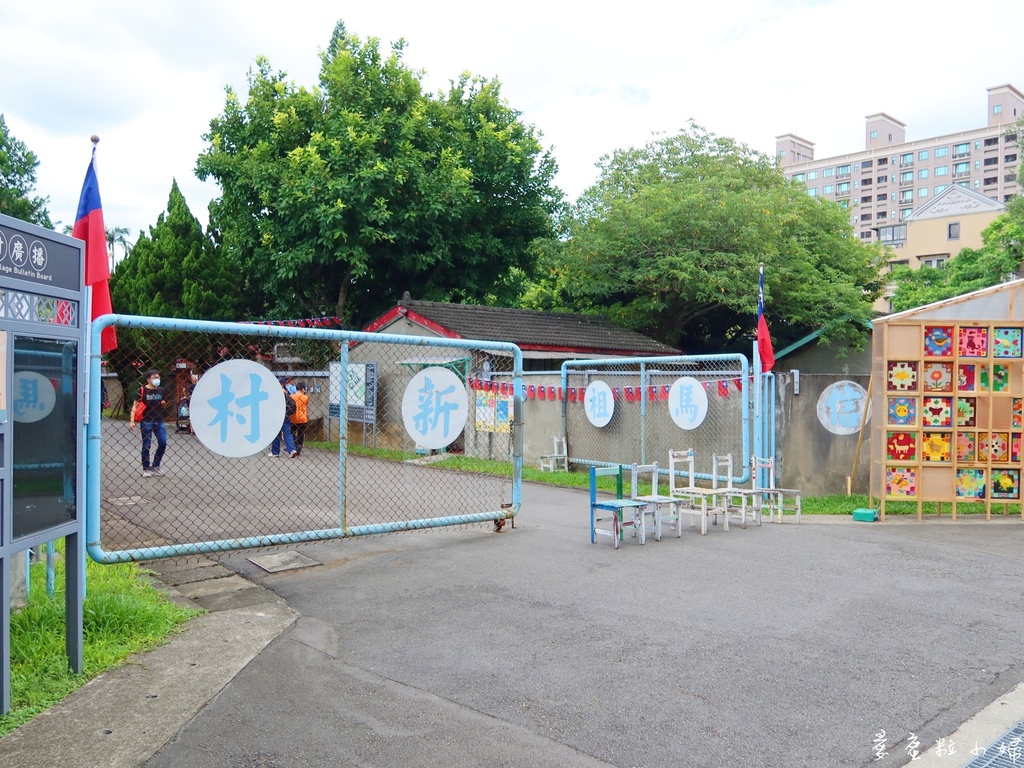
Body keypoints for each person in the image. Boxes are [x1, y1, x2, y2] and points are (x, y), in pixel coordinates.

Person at [129, 369, 170, 478]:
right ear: (148, 379)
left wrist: (163, 403)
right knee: (146, 445)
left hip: (159, 420)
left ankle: (156, 465)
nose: (157, 379)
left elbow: (165, 403)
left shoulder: (161, 390)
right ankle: (146, 469)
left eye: (158, 377)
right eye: (154, 377)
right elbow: (135, 405)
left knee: (163, 442)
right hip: (146, 421)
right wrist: (132, 421)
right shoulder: (142, 390)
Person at [268, 379, 298, 458]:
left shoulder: (275, 392)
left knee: (276, 434)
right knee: (287, 433)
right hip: (285, 415)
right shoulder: (286, 392)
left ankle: (275, 452)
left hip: (276, 415)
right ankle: (292, 450)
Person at [290, 381, 309, 457]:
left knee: (290, 432)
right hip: (303, 417)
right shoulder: (306, 397)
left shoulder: (291, 396)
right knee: (301, 433)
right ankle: (299, 446)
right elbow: (306, 404)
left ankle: (296, 444)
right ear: (302, 389)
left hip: (293, 417)